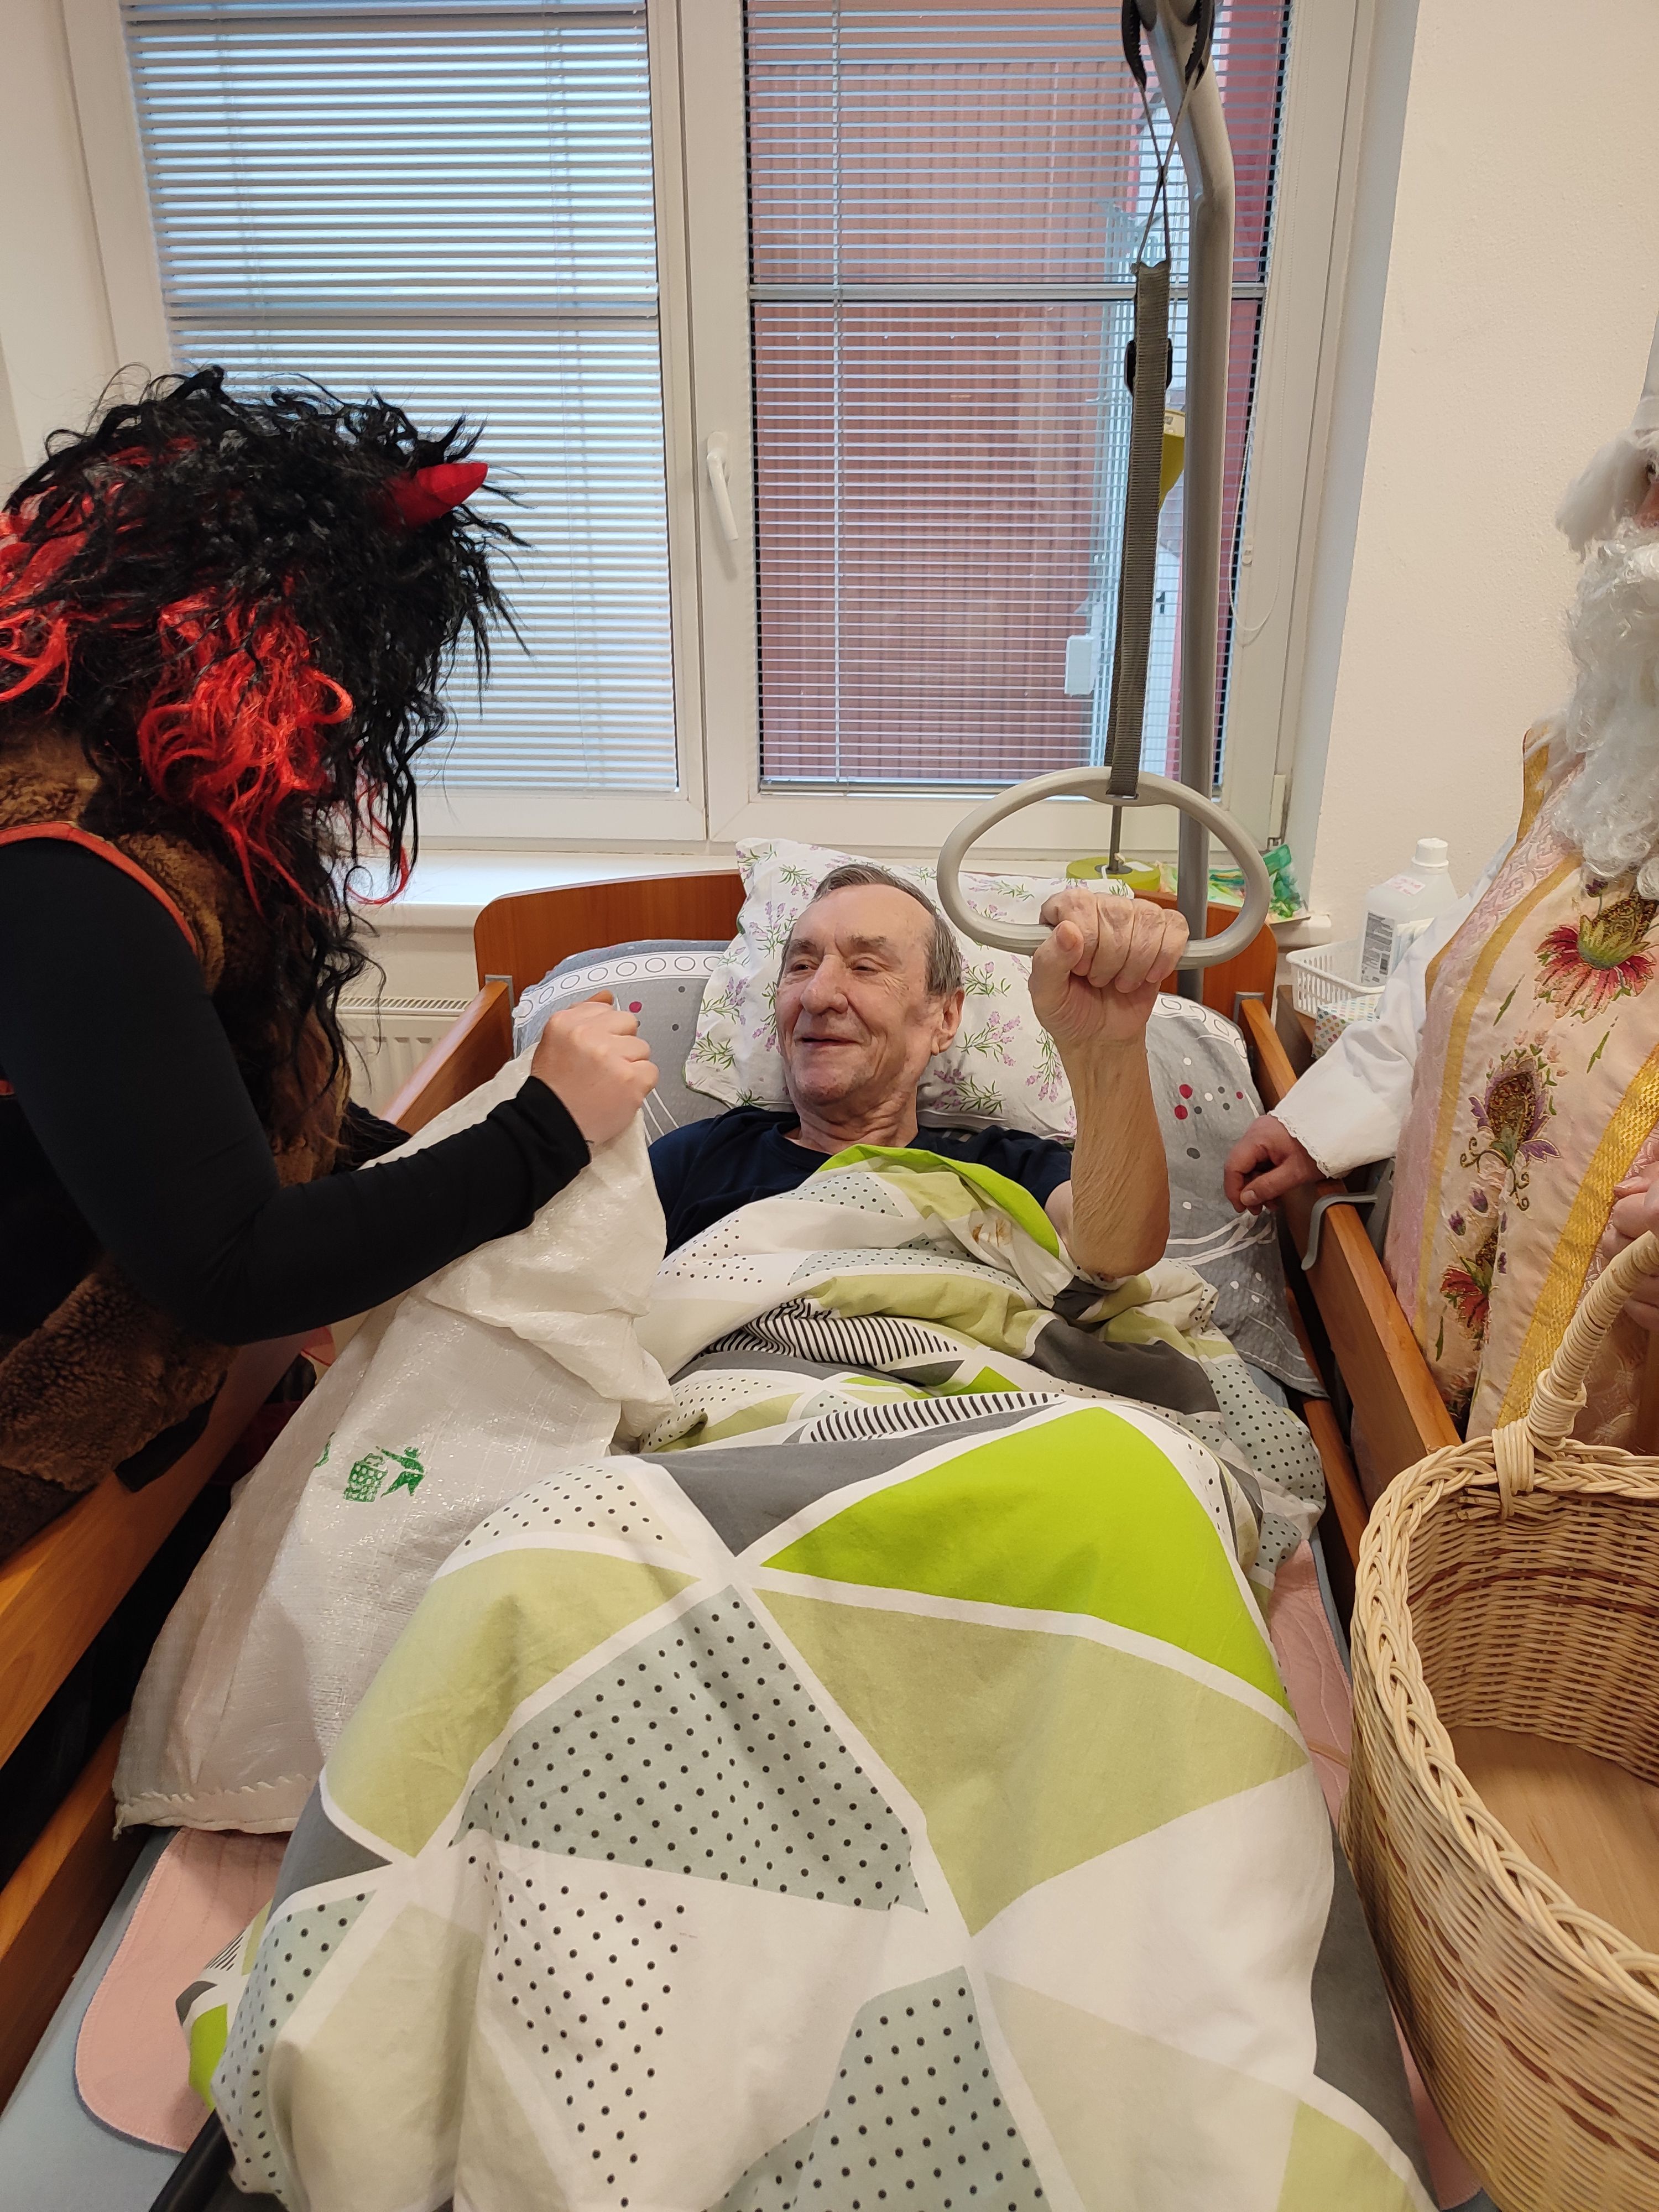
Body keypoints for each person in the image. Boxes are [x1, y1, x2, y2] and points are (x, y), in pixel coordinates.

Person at [0, 370, 656, 1554]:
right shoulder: (64, 876)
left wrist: (456, 1160)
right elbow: (232, 1268)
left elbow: (221, 1108)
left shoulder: (173, 827)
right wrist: (541, 1133)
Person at [1223, 314, 1659, 1447]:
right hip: (1440, 1329)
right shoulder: (1590, 752)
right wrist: (1319, 1121)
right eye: (1655, 485)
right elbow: (1461, 969)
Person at [649, 861, 1188, 1277]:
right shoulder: (695, 1160)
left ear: (945, 1018)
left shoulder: (1007, 1173)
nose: (816, 994)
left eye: (865, 966)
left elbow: (1117, 1253)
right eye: (802, 965)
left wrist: (1106, 1047)